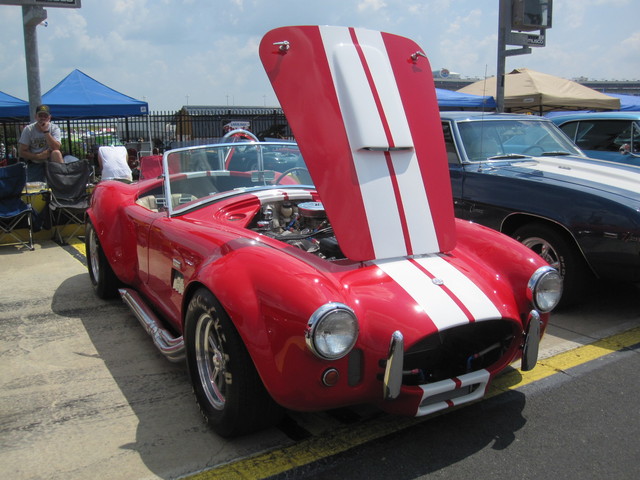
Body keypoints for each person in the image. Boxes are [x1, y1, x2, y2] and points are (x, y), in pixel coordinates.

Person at [18, 105, 64, 182]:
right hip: (35, 162)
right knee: (34, 189)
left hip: (51, 161)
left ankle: (62, 180)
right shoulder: (28, 129)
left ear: (49, 118)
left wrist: (46, 131)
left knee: (56, 153)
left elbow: (56, 147)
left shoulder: (54, 128)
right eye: (40, 115)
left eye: (45, 116)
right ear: (36, 117)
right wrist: (38, 156)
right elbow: (22, 152)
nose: (42, 118)